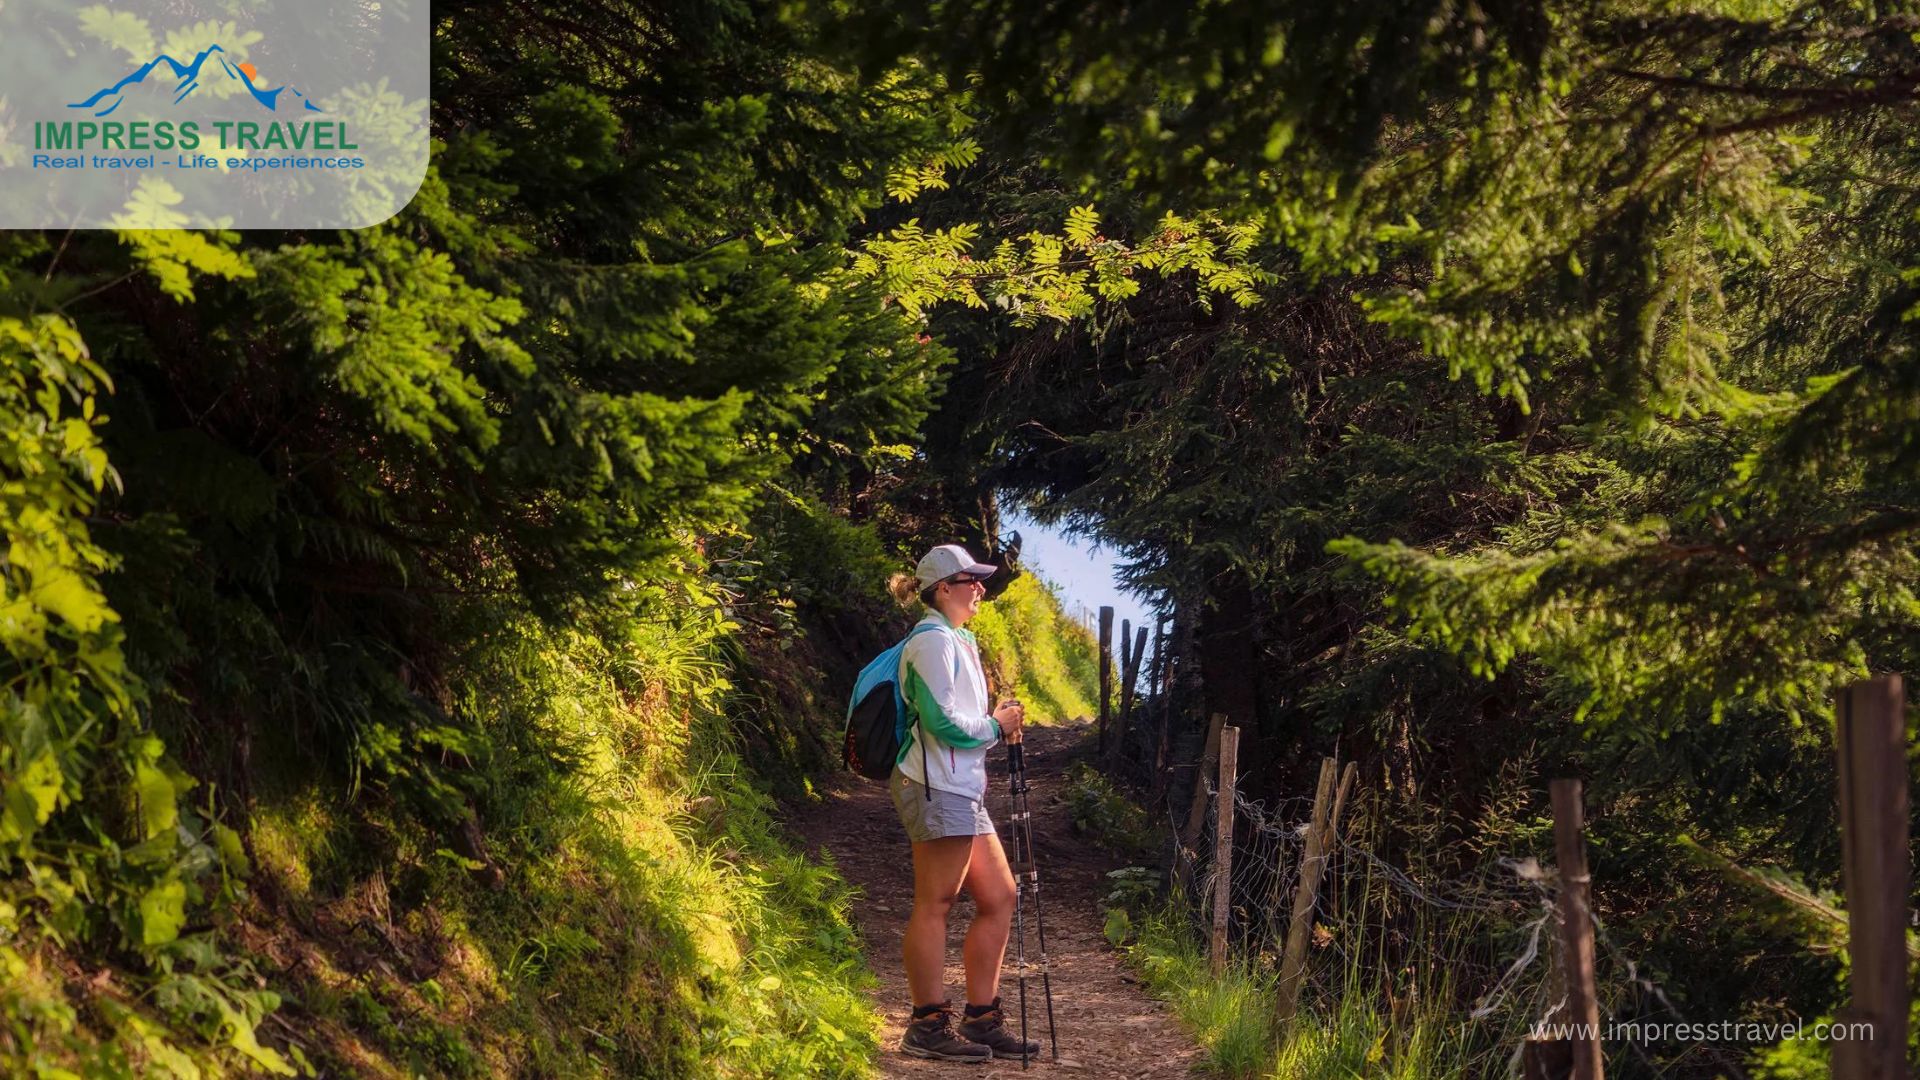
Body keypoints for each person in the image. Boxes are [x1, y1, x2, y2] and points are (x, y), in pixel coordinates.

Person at [886, 543, 1041, 1063]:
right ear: (942, 589)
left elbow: (961, 716)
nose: (980, 587)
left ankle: (980, 1019)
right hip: (934, 786)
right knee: (937, 902)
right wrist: (997, 726)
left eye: (980, 579)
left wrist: (998, 720)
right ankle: (927, 1024)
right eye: (969, 579)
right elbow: (941, 723)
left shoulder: (958, 639)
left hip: (960, 789)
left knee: (999, 895)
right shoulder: (931, 641)